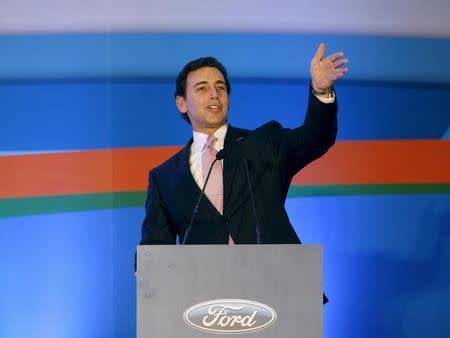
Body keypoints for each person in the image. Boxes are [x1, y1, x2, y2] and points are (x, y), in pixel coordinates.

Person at [140, 43, 347, 245]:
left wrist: (321, 90)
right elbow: (155, 250)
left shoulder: (265, 144)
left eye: (220, 87)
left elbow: (315, 138)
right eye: (202, 88)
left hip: (274, 276)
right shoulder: (165, 178)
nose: (214, 94)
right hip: (207, 280)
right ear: (182, 103)